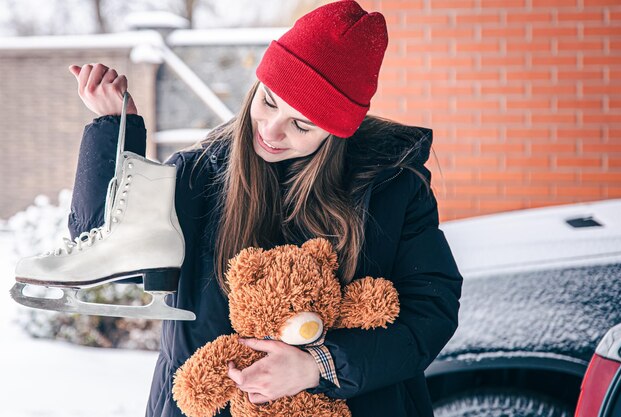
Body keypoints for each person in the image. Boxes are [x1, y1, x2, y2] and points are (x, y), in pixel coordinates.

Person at [67, 1, 463, 416]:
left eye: (302, 124)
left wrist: (318, 366)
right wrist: (116, 128)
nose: (271, 130)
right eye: (269, 101)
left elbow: (429, 311)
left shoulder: (392, 190)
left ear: (337, 132)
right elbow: (102, 246)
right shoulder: (198, 176)